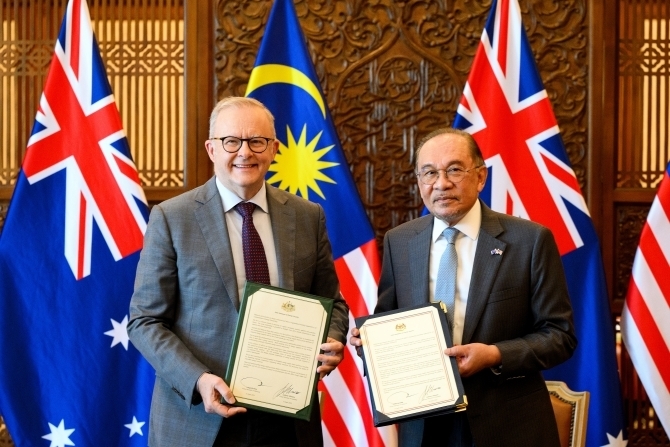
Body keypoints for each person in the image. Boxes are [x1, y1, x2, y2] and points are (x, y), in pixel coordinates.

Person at [128, 96, 349, 447]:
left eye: (257, 141)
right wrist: (198, 379)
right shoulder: (172, 218)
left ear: (274, 149)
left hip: (287, 421)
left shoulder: (308, 216)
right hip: (198, 420)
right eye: (231, 141)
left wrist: (333, 339)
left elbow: (332, 303)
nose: (245, 152)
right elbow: (144, 321)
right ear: (211, 148)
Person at [350, 128, 577, 447]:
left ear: (480, 177)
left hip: (506, 425)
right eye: (429, 172)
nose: (441, 183)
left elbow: (559, 336)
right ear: (419, 181)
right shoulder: (399, 242)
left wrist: (494, 355)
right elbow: (388, 319)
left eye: (454, 169)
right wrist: (369, 343)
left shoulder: (530, 241)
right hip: (424, 427)